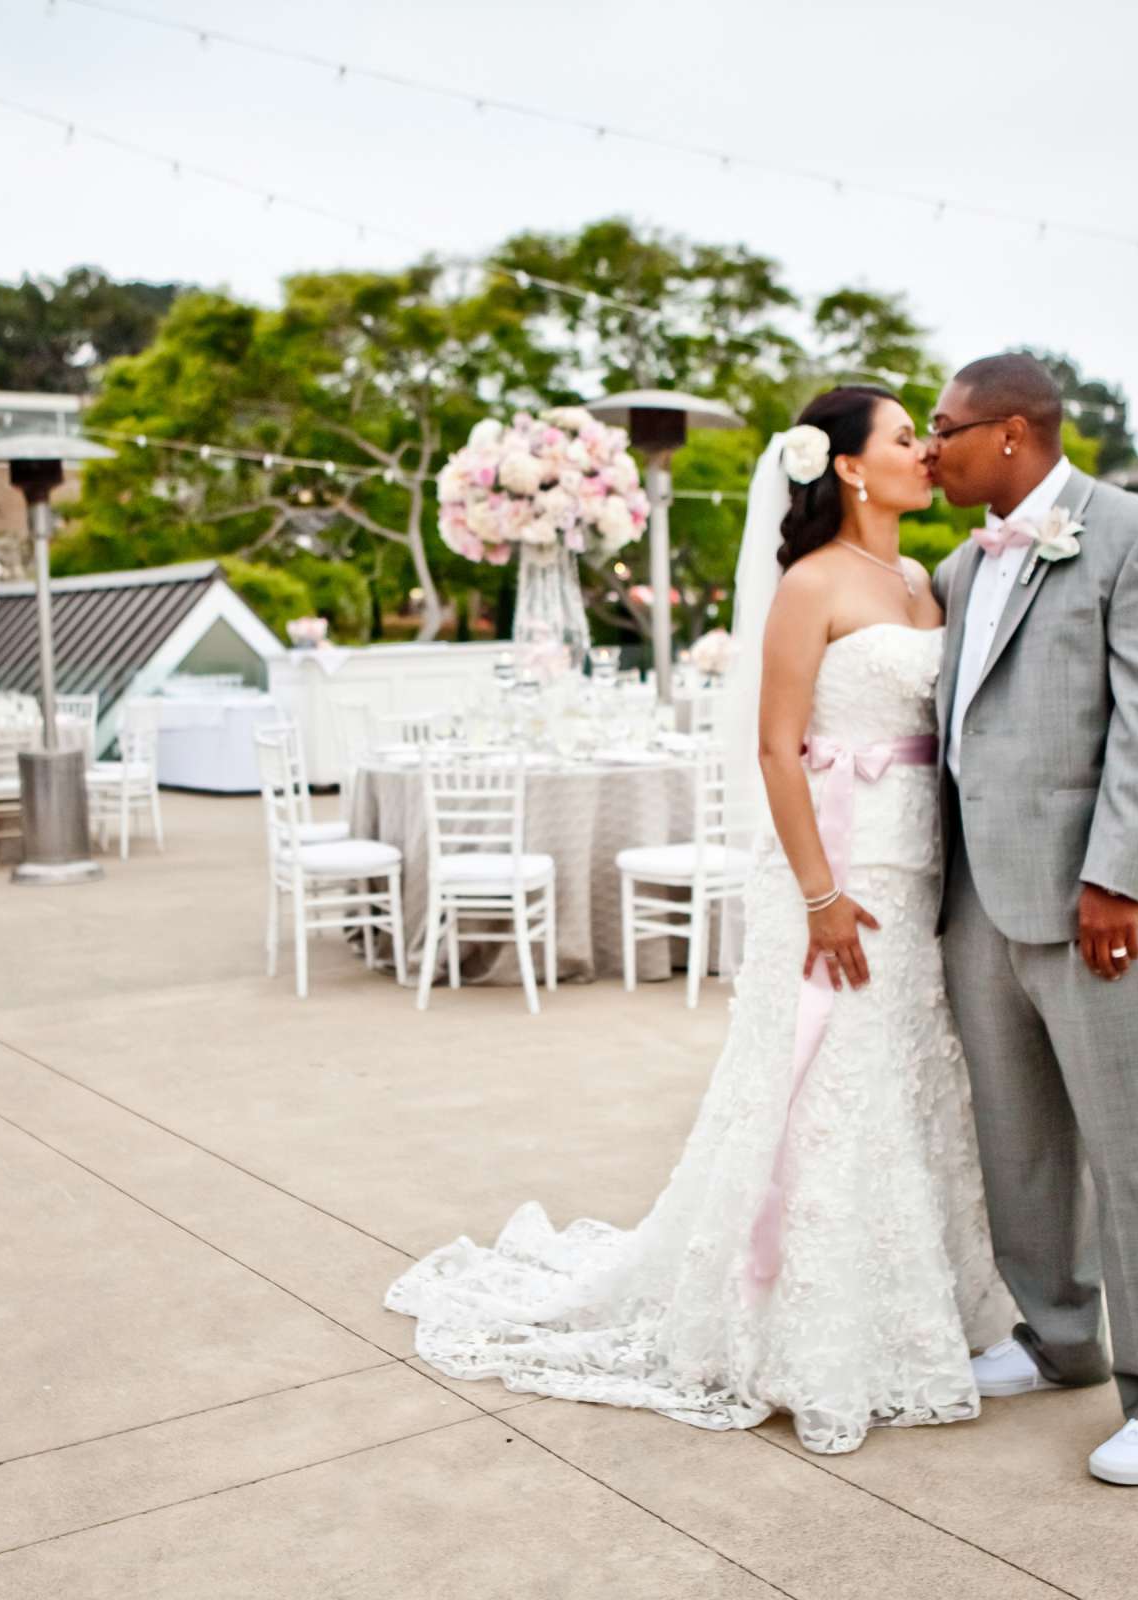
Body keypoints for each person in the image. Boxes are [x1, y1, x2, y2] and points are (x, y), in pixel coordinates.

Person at [387, 388, 1006, 1455]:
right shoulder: (810, 584)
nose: (928, 451)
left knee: (904, 1077)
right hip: (836, 868)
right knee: (822, 1081)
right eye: (908, 437)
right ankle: (793, 1324)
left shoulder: (919, 580)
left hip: (919, 869)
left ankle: (914, 1300)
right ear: (851, 468)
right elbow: (776, 747)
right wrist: (818, 894)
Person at [928, 352, 1138, 1485]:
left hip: (1101, 900)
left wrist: (1120, 878)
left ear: (1011, 433)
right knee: (1020, 1142)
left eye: (946, 428)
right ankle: (1057, 1336)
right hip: (975, 896)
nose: (927, 446)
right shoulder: (960, 565)